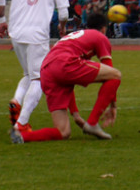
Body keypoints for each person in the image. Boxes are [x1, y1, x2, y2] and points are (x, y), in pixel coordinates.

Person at [10, 12, 121, 144]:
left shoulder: (74, 36)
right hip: (64, 63)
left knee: (64, 132)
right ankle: (92, 123)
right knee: (116, 74)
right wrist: (113, 106)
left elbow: (67, 79)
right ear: (103, 29)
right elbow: (111, 73)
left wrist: (75, 114)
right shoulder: (100, 37)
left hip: (46, 71)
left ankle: (21, 137)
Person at [0, 0, 70, 135]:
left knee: (28, 75)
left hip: (17, 32)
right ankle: (22, 123)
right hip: (37, 34)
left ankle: (17, 101)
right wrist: (62, 28)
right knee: (39, 78)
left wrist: (2, 21)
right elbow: (63, 13)